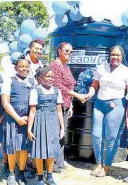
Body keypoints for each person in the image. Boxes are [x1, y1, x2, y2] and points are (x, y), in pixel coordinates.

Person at [84, 46, 128, 177]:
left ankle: (106, 167)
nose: (115, 57)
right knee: (96, 135)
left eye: (118, 55)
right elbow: (95, 85)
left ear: (122, 57)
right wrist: (90, 93)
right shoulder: (101, 67)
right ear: (109, 55)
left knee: (111, 138)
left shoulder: (127, 71)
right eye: (113, 55)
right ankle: (98, 163)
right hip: (99, 103)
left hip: (116, 104)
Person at [49, 42, 85, 172]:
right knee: (54, 133)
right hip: (55, 106)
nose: (69, 54)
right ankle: (51, 162)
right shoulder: (54, 66)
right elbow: (58, 86)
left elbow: (70, 86)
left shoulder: (66, 66)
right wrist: (77, 95)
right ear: (59, 50)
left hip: (65, 105)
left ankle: (58, 162)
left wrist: (70, 105)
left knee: (61, 133)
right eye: (66, 51)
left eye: (71, 52)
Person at [1, 56, 37, 185]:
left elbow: (35, 103)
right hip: (12, 119)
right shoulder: (9, 81)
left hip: (27, 121)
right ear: (16, 67)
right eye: (21, 66)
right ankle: (11, 173)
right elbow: (5, 103)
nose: (24, 69)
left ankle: (21, 173)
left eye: (26, 66)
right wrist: (17, 118)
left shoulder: (33, 82)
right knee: (12, 147)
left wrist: (28, 117)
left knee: (23, 148)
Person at [27, 67, 65, 185]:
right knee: (39, 150)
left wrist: (62, 127)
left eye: (52, 76)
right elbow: (32, 111)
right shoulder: (35, 91)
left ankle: (49, 176)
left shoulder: (57, 91)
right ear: (41, 78)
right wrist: (29, 129)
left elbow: (59, 111)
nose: (50, 79)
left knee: (51, 151)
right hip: (40, 122)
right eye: (47, 76)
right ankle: (39, 177)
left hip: (53, 122)